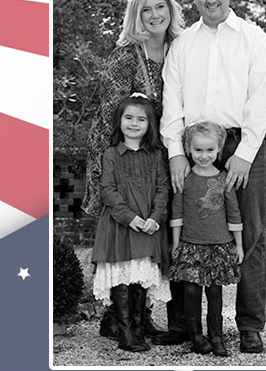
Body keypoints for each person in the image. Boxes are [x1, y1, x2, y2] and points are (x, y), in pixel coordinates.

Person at [160, 0, 266, 354]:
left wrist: (243, 155)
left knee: (250, 232)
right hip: (191, 146)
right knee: (184, 228)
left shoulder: (254, 39)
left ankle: (249, 326)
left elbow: (261, 101)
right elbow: (171, 100)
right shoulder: (182, 44)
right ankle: (186, 324)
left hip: (239, 145)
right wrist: (176, 152)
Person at [82, 0, 185, 341]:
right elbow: (114, 115)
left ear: (171, 10)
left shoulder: (180, 49)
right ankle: (118, 318)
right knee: (124, 229)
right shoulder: (125, 55)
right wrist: (118, 168)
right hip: (123, 156)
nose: (155, 15)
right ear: (135, 15)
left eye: (160, 7)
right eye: (146, 9)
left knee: (152, 234)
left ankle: (141, 314)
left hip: (159, 156)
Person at [90, 94, 172, 352]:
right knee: (123, 277)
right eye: (128, 118)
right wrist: (130, 218)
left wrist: (155, 219)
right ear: (119, 121)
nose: (134, 123)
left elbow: (162, 188)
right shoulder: (111, 154)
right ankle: (124, 331)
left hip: (148, 226)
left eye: (141, 119)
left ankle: (138, 328)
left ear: (150, 124)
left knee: (141, 276)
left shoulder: (156, 155)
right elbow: (108, 191)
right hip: (120, 226)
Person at [167, 122, 243, 356]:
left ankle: (216, 336)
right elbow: (177, 213)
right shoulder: (185, 179)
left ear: (219, 149)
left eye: (210, 150)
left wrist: (238, 245)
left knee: (214, 293)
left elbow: (234, 214)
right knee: (191, 292)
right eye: (198, 150)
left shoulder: (224, 179)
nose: (204, 155)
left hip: (219, 246)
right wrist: (176, 243)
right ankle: (196, 335)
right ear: (188, 149)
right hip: (191, 245)